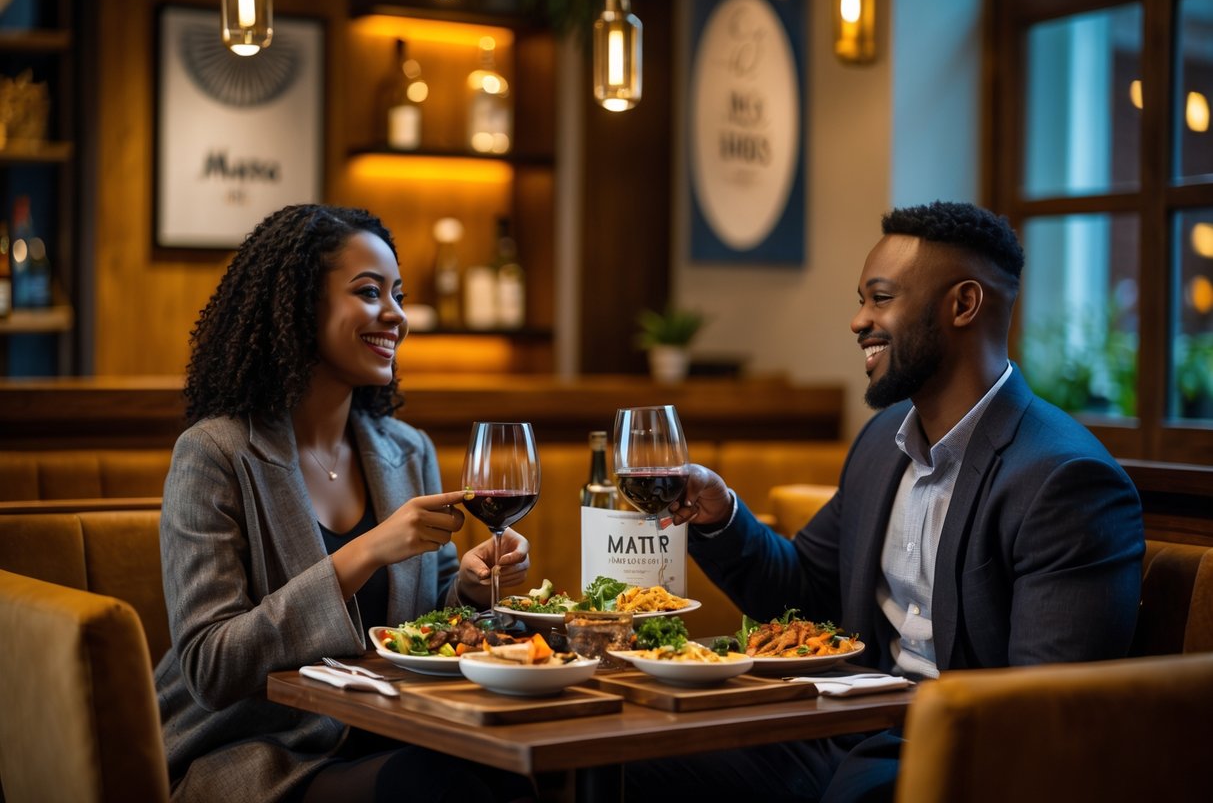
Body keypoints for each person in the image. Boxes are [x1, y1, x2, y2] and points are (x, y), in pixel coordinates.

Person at [627, 201, 1145, 801]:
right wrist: (723, 520)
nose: (857, 321)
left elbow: (1041, 716)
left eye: (880, 298)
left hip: (941, 761)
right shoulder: (881, 443)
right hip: (833, 731)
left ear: (963, 305)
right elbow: (805, 592)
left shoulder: (1064, 480)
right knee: (624, 763)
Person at [156, 204, 535, 803]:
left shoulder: (407, 452)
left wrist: (466, 585)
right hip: (260, 755)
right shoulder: (215, 455)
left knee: (519, 769)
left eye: (399, 295)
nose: (396, 315)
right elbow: (211, 665)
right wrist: (364, 553)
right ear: (300, 306)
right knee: (444, 787)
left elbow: (421, 626)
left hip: (387, 733)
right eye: (368, 292)